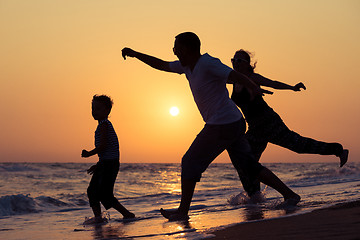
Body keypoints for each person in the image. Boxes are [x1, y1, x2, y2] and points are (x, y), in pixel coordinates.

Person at [122, 32, 300, 221]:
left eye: (177, 48)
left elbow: (234, 75)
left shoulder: (208, 63)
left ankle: (183, 211)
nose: (174, 51)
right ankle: (290, 195)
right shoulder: (186, 66)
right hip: (232, 122)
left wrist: (253, 87)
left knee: (190, 161)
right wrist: (135, 54)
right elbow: (162, 65)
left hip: (223, 124)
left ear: (187, 49)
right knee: (249, 166)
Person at [230, 49, 349, 196]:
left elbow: (273, 83)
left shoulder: (253, 77)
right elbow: (215, 78)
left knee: (298, 146)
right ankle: (254, 196)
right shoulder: (234, 79)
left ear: (247, 64)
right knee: (245, 161)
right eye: (233, 60)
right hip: (255, 129)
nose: (235, 63)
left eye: (239, 61)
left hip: (269, 123)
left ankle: (338, 150)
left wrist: (292, 87)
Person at [81, 95, 135, 223]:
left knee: (104, 194)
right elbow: (106, 150)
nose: (94, 112)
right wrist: (98, 164)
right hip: (106, 163)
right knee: (93, 190)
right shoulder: (101, 125)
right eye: (93, 109)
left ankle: (127, 214)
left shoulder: (105, 125)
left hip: (110, 164)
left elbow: (103, 146)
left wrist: (89, 153)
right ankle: (98, 217)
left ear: (107, 111)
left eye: (98, 109)